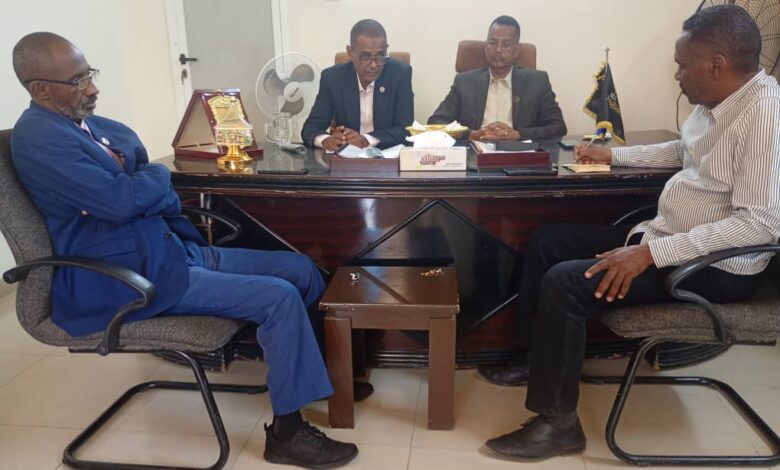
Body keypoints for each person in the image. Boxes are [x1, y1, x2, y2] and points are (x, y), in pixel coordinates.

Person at [11, 32, 358, 469]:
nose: (93, 88)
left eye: (89, 74)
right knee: (278, 297)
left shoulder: (84, 125)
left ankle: (316, 376)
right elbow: (123, 199)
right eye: (78, 81)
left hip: (168, 250)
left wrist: (137, 181)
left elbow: (134, 167)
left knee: (301, 269)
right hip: (128, 276)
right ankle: (287, 435)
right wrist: (149, 179)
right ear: (41, 88)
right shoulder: (40, 137)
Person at [478, 5, 780, 461]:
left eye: (683, 65)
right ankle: (537, 357)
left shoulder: (764, 115)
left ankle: (558, 424)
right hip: (668, 239)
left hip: (716, 268)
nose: (677, 75)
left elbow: (759, 223)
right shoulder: (716, 105)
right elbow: (682, 150)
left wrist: (651, 254)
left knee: (566, 282)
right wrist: (614, 156)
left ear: (717, 64)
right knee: (547, 240)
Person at [428, 15, 566, 142]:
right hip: (476, 152)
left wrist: (518, 134)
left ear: (517, 50)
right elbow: (436, 122)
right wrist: (470, 134)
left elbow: (558, 127)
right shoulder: (464, 82)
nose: (498, 49)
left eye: (506, 44)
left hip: (519, 153)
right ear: (485, 47)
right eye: (492, 42)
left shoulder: (537, 82)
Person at [301, 19, 414, 150]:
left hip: (387, 155)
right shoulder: (333, 78)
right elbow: (310, 128)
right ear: (350, 52)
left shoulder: (400, 74)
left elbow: (406, 130)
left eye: (380, 56)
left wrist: (366, 140)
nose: (374, 65)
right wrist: (325, 141)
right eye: (365, 57)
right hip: (347, 158)